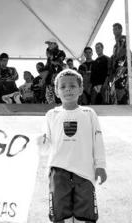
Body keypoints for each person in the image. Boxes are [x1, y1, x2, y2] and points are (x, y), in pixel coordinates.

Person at [38, 69, 107, 223]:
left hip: (85, 173)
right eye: (62, 87)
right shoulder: (51, 115)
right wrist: (41, 142)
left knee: (85, 215)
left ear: (81, 89)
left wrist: (100, 166)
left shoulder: (89, 113)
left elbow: (98, 141)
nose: (67, 89)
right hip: (58, 171)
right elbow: (45, 147)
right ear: (56, 92)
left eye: (72, 86)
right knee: (60, 215)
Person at [110, 23, 128, 104]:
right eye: (113, 29)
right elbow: (115, 58)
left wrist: (114, 58)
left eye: (116, 29)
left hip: (123, 69)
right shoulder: (114, 46)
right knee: (116, 92)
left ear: (121, 30)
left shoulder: (123, 39)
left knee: (122, 90)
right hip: (116, 71)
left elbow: (122, 52)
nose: (114, 31)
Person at [43, 38, 66, 104]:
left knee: (60, 95)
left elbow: (58, 62)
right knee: (49, 97)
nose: (49, 45)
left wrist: (53, 61)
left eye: (50, 43)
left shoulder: (61, 52)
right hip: (49, 79)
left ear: (55, 44)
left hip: (59, 77)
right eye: (48, 44)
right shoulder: (49, 53)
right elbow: (48, 65)